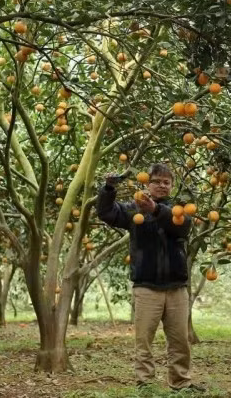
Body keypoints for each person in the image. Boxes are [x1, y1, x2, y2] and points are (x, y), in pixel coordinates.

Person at [96, 163, 203, 392]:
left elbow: (182, 228)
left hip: (176, 287)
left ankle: (181, 383)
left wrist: (154, 209)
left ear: (172, 186)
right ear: (147, 183)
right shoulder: (134, 208)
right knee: (144, 341)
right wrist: (108, 188)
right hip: (146, 287)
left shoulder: (179, 209)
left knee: (180, 341)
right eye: (157, 181)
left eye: (167, 182)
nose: (162, 185)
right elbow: (107, 212)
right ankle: (145, 385)